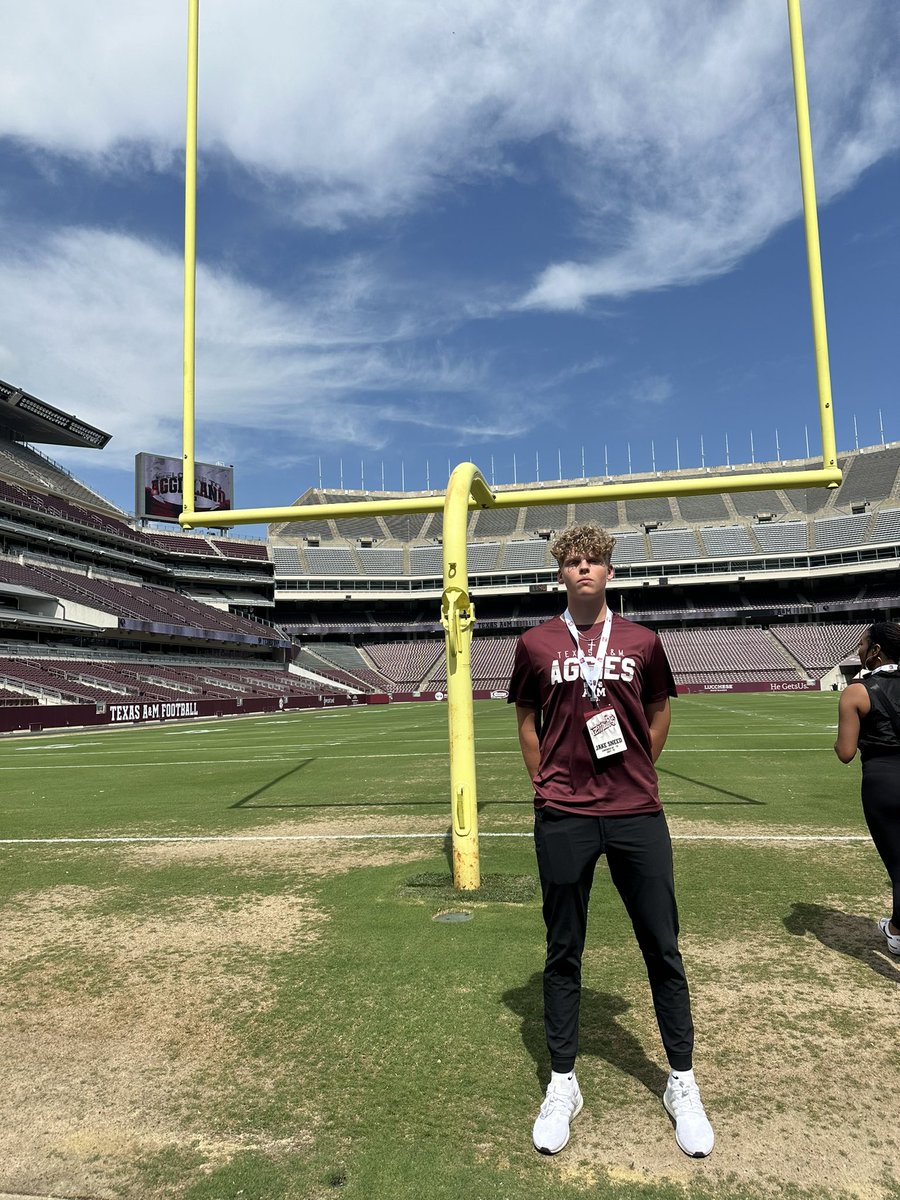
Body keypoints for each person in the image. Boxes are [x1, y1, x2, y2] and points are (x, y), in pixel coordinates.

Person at [507, 523, 714, 1159]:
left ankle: (682, 1081)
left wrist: (636, 774)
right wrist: (546, 783)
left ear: (611, 572)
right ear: (560, 573)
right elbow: (524, 719)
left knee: (662, 945)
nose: (585, 569)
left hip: (635, 814)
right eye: (573, 561)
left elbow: (659, 711)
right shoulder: (535, 642)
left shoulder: (643, 641)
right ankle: (563, 1082)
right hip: (565, 814)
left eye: (595, 560)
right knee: (563, 948)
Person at [834, 621, 900, 957]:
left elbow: (845, 753)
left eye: (862, 644)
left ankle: (899, 932)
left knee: (897, 863)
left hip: (883, 780)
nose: (858, 650)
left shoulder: (857, 691)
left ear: (875, 651)